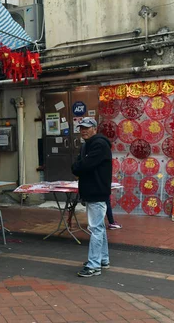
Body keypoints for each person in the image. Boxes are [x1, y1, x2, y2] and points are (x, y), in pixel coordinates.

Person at [72, 117, 112, 277]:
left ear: (95, 129)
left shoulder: (99, 144)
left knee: (95, 228)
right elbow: (79, 165)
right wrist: (79, 165)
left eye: (87, 127)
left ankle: (94, 265)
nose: (84, 130)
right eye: (81, 128)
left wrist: (78, 166)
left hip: (96, 191)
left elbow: (82, 166)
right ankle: (103, 259)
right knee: (99, 227)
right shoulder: (87, 145)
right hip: (92, 191)